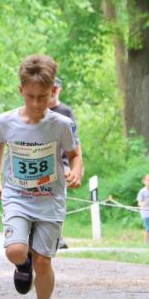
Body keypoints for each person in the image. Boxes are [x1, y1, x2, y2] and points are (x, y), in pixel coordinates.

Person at [0, 54, 82, 299]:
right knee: (16, 251)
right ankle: (22, 265)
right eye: (30, 96)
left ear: (53, 91)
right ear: (21, 91)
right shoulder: (6, 121)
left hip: (50, 199)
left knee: (44, 262)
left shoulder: (61, 124)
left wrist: (76, 172)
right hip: (17, 195)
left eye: (43, 96)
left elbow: (75, 155)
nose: (36, 103)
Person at [49, 77, 81, 249]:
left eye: (55, 88)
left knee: (59, 198)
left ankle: (57, 235)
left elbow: (75, 141)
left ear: (59, 90)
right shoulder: (38, 109)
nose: (52, 91)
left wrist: (76, 169)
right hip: (40, 161)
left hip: (61, 163)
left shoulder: (65, 111)